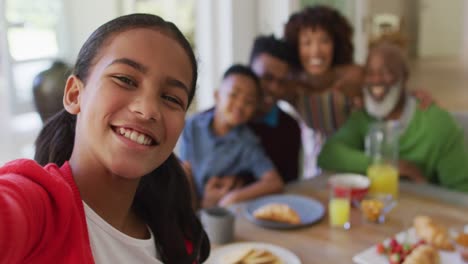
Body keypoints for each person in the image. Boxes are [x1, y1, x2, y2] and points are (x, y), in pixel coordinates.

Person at [0, 14, 209, 263]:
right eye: (125, 80)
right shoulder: (37, 207)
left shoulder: (173, 231)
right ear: (75, 94)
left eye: (172, 98)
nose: (148, 110)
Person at [317, 42, 468, 193]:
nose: (376, 80)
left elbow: (462, 193)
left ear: (405, 77)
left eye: (386, 72)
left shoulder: (437, 124)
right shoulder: (362, 117)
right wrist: (391, 165)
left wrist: (425, 189)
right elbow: (328, 155)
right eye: (370, 73)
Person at [179, 64, 284, 209]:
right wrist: (197, 206)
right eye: (234, 95)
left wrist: (233, 197)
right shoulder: (192, 125)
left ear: (254, 109)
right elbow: (185, 172)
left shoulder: (248, 142)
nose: (240, 105)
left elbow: (274, 183)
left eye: (249, 101)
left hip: (221, 213)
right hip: (185, 206)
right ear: (217, 96)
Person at [247, 35, 301, 183]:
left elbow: (288, 189)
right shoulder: (213, 121)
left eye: (282, 82)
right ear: (249, 70)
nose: (275, 89)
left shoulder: (290, 128)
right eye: (267, 78)